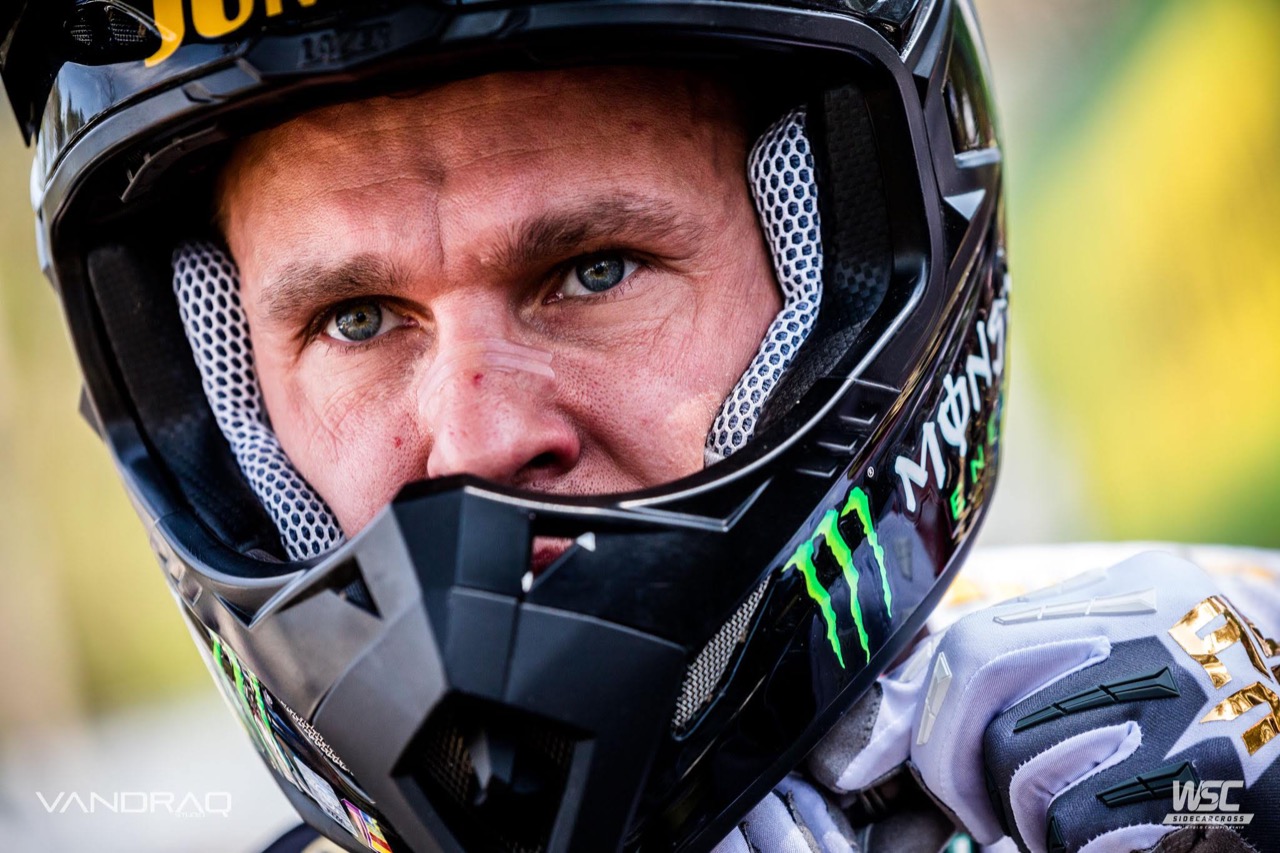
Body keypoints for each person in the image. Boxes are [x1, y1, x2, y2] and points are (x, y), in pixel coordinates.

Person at [1, 0, 1275, 851]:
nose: (474, 436)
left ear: (840, 283)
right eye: (355, 319)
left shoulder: (1149, 739)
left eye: (592, 271)